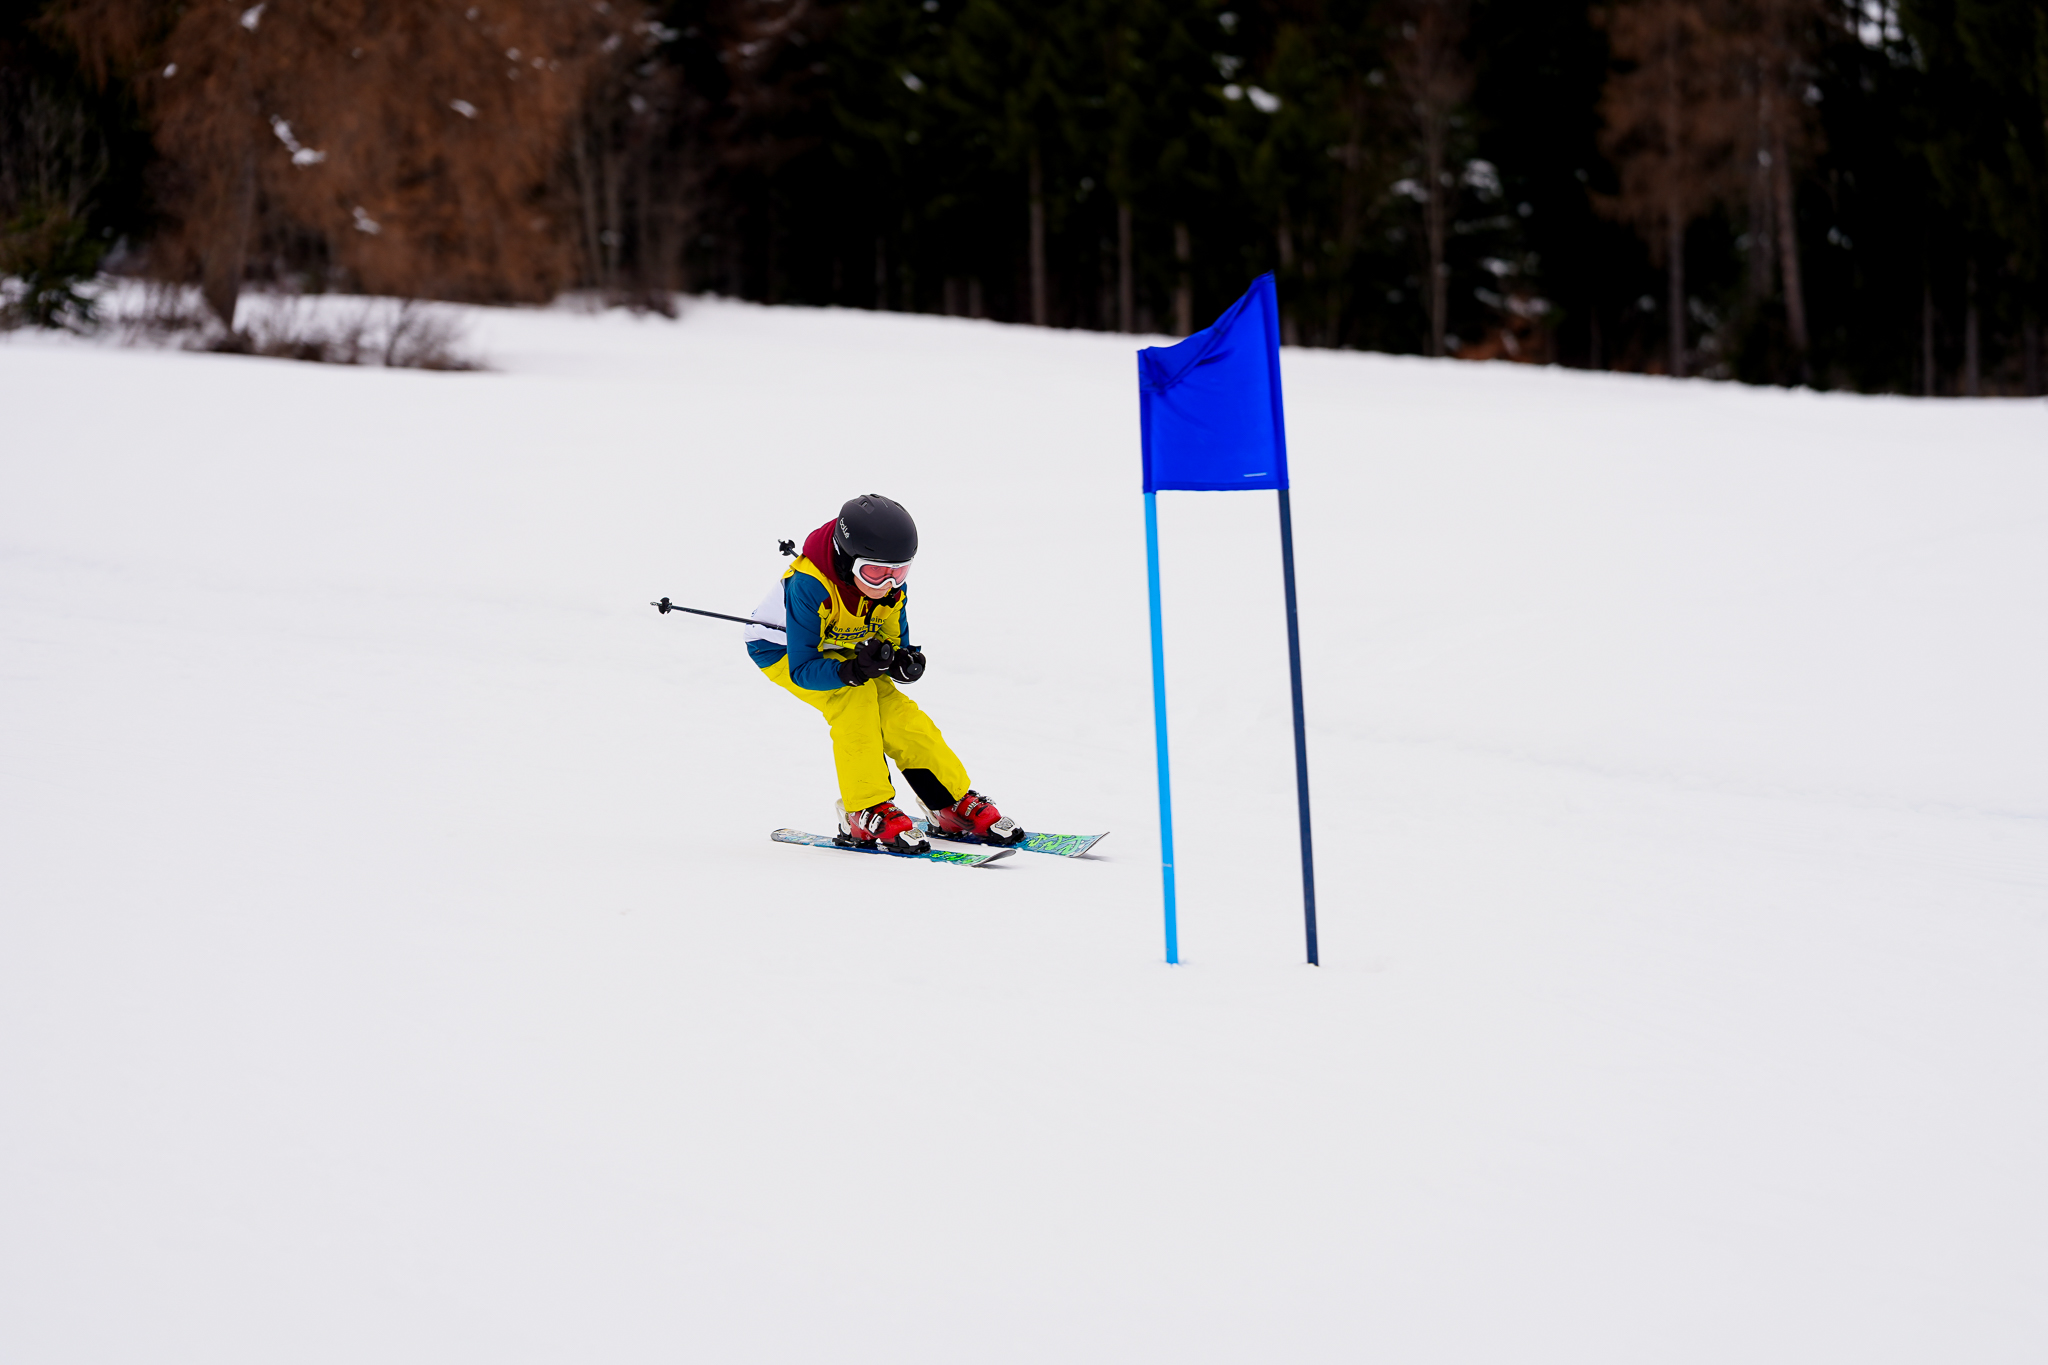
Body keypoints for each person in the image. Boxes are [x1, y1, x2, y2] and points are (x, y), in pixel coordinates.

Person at [743, 494, 1023, 853]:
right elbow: (802, 669)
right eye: (874, 572)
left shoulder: (889, 589)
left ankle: (948, 802)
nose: (888, 583)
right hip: (783, 651)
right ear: (847, 560)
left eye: (900, 571)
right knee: (853, 699)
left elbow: (895, 643)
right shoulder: (809, 586)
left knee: (899, 713)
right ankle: (864, 809)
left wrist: (901, 662)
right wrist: (851, 671)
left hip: (843, 648)